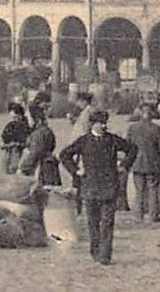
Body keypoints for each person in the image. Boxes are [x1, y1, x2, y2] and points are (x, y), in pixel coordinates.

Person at [58, 110, 135, 265]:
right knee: (93, 222)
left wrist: (124, 165)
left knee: (107, 222)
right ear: (93, 124)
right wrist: (75, 171)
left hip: (109, 186)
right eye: (101, 123)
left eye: (105, 123)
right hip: (90, 187)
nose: (104, 126)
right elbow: (64, 154)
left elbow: (132, 149)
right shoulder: (84, 141)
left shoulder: (112, 140)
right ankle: (95, 251)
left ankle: (105, 255)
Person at [125, 103, 160, 222]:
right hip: (152, 163)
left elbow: (126, 146)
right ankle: (153, 215)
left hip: (136, 163)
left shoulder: (132, 128)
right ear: (152, 114)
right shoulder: (156, 129)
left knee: (139, 190)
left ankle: (138, 215)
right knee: (153, 189)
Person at [20, 103, 60, 187]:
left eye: (28, 118)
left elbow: (34, 153)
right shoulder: (47, 130)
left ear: (35, 118)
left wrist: (22, 168)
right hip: (50, 166)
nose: (27, 121)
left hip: (42, 169)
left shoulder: (38, 133)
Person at [0, 103, 30, 174]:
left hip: (20, 155)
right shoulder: (9, 126)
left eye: (16, 117)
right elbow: (1, 143)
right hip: (9, 155)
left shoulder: (25, 127)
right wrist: (11, 144)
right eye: (13, 118)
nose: (15, 120)